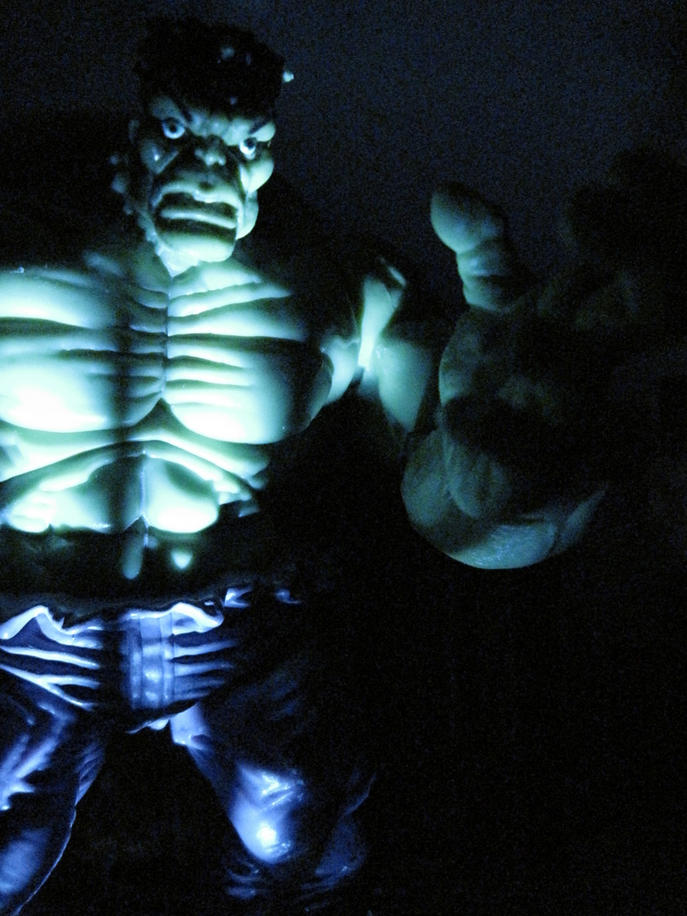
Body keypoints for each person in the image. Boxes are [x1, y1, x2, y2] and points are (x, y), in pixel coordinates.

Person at [1, 16, 681, 914]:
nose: (210, 169)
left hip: (234, 628)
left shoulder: (335, 286)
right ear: (141, 129)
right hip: (28, 636)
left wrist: (523, 473)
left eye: (243, 146)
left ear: (266, 152)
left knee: (299, 835)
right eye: (178, 133)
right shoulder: (17, 253)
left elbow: (456, 496)